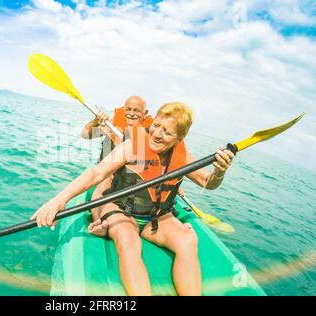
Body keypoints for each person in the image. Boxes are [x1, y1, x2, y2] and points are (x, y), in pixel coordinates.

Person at [31, 102, 235, 296]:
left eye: (167, 132)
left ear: (179, 137)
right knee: (129, 240)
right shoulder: (131, 146)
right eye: (156, 125)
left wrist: (219, 172)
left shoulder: (183, 156)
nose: (156, 133)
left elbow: (208, 183)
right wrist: (59, 199)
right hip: (121, 209)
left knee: (188, 240)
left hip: (156, 217)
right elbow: (97, 174)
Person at [80, 96, 153, 233]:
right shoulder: (111, 125)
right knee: (105, 183)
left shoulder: (151, 133)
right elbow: (84, 134)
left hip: (132, 177)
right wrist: (96, 121)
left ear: (145, 113)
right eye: (128, 109)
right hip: (109, 173)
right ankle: (98, 222)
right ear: (123, 109)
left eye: (136, 110)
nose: (131, 113)